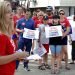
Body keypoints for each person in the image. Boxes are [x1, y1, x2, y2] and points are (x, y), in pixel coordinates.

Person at [0, 1, 29, 75]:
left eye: (11, 11)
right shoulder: (1, 35)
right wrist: (17, 55)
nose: (12, 14)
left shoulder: (7, 33)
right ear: (1, 15)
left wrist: (19, 56)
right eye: (8, 12)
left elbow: (8, 54)